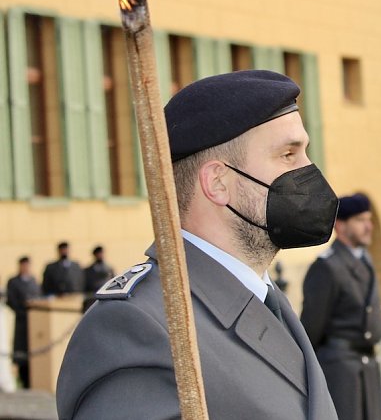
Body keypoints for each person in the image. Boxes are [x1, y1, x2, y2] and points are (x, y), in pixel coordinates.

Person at [57, 70, 339, 419]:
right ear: (217, 183)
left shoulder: (266, 300)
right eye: (288, 155)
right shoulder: (136, 325)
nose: (308, 169)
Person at [301, 193, 381, 420]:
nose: (368, 226)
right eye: (360, 220)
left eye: (369, 220)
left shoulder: (365, 261)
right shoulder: (327, 267)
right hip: (339, 371)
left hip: (367, 369)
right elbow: (311, 329)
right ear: (340, 226)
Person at [6, 257, 41, 388]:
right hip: (21, 321)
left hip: (34, 322)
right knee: (21, 351)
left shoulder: (33, 281)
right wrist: (23, 310)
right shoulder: (13, 282)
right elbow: (11, 300)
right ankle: (22, 378)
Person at [83, 246, 115, 311]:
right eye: (99, 253)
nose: (100, 255)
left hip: (105, 297)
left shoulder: (109, 269)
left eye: (101, 253)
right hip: (92, 297)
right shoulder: (88, 270)